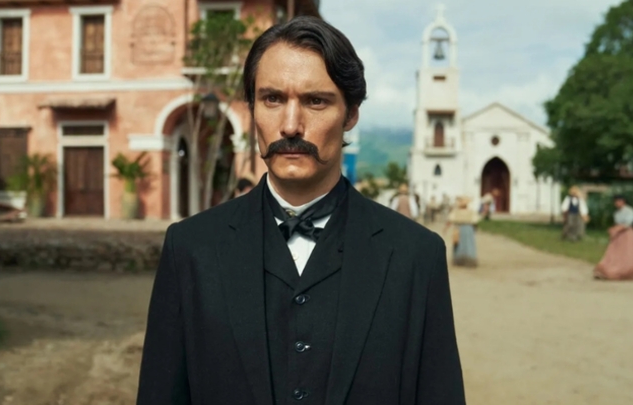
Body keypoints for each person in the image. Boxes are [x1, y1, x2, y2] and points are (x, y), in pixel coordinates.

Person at [136, 16, 465, 405]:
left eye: (315, 101)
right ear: (253, 107)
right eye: (273, 99)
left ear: (351, 114)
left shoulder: (416, 256)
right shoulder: (189, 249)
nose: (291, 126)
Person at [594, 195, 633, 280]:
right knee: (614, 252)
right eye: (616, 202)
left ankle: (628, 270)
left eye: (619, 201)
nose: (617, 203)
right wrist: (613, 230)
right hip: (618, 235)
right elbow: (617, 223)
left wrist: (617, 229)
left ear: (623, 201)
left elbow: (628, 223)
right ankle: (609, 269)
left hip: (627, 234)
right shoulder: (617, 213)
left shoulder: (629, 211)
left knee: (628, 252)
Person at [444, 196, 480, 268]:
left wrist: (474, 228)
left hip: (468, 229)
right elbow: (450, 220)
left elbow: (475, 221)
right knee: (458, 244)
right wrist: (446, 228)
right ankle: (459, 260)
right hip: (459, 228)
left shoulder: (470, 211)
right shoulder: (456, 211)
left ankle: (469, 260)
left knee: (468, 244)